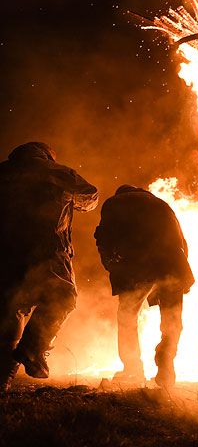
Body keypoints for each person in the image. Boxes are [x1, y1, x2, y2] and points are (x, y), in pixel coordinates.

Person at [0, 142, 98, 391]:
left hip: (7, 253)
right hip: (48, 249)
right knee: (62, 297)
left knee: (12, 309)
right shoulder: (58, 172)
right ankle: (32, 351)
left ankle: (3, 379)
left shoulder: (3, 172)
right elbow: (90, 197)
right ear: (45, 155)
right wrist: (70, 197)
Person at [94, 185, 194, 387]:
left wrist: (110, 264)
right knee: (172, 319)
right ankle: (166, 363)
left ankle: (132, 370)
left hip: (137, 266)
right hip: (173, 265)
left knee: (127, 318)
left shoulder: (114, 203)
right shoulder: (162, 204)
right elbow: (183, 242)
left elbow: (104, 237)